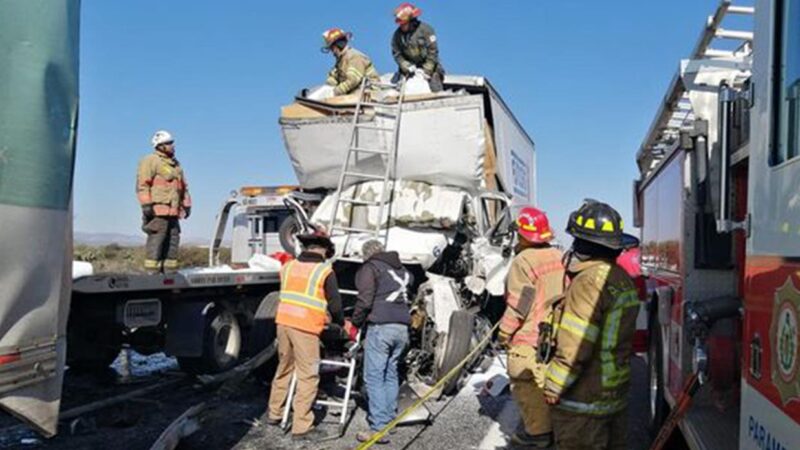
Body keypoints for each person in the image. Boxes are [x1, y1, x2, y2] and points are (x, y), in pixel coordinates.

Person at [543, 201, 640, 450]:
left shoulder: (587, 282)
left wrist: (554, 384)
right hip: (614, 395)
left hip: (585, 400)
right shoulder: (621, 279)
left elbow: (576, 344)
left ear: (583, 244)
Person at [266, 230, 345, 441]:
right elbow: (335, 304)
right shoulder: (323, 271)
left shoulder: (289, 266)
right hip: (306, 327)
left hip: (283, 323)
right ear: (324, 250)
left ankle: (274, 413)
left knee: (284, 368)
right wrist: (339, 324)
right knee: (308, 374)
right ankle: (302, 426)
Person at [498, 207, 564, 448]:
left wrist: (504, 333)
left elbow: (520, 302)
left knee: (526, 384)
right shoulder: (559, 256)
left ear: (523, 235)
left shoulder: (523, 261)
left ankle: (538, 434)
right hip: (557, 335)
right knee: (550, 385)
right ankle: (555, 430)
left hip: (530, 337)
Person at [350, 240, 413, 445]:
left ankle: (378, 428)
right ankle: (389, 420)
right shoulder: (402, 270)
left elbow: (365, 299)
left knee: (374, 376)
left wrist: (355, 322)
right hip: (402, 328)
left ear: (367, 254)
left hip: (381, 327)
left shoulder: (371, 267)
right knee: (391, 372)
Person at [136, 130, 191, 273]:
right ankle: (152, 273)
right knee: (157, 240)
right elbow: (142, 185)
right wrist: (146, 205)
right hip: (157, 211)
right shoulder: (150, 161)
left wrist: (186, 205)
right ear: (160, 146)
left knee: (173, 241)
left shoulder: (176, 165)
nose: (172, 146)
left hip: (173, 212)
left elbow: (183, 188)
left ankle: (169, 272)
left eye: (172, 143)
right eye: (168, 143)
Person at [391, 2, 445, 92]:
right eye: (401, 24)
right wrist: (406, 66)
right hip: (410, 70)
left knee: (434, 85)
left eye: (404, 24)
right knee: (402, 89)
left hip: (429, 69)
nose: (402, 26)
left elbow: (433, 51)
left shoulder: (426, 30)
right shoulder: (397, 36)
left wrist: (427, 70)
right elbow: (397, 54)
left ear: (412, 22)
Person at [322, 28, 380, 96]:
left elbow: (352, 80)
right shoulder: (341, 61)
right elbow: (333, 77)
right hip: (357, 94)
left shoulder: (354, 57)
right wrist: (326, 90)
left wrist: (334, 92)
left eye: (332, 48)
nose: (332, 53)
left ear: (338, 45)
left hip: (370, 94)